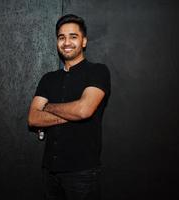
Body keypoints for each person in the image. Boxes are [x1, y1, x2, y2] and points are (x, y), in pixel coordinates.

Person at [28, 14, 111, 200]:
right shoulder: (48, 79)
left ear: (84, 41)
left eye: (73, 36)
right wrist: (73, 113)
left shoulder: (98, 72)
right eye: (61, 37)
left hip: (82, 173)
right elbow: (33, 118)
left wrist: (47, 107)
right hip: (49, 172)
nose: (67, 42)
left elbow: (84, 110)